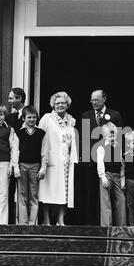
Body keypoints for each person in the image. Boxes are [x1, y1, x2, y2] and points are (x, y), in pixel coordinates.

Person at [77, 89, 123, 225]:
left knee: (111, 196)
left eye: (96, 99)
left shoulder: (115, 115)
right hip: (90, 160)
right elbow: (82, 138)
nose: (94, 102)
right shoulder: (86, 115)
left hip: (109, 162)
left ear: (104, 99)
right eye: (92, 100)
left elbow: (119, 137)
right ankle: (90, 224)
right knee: (90, 193)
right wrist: (82, 156)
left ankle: (112, 225)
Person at [38, 92, 78, 226]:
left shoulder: (70, 120)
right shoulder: (47, 118)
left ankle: (61, 220)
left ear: (67, 105)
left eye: (63, 103)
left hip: (65, 161)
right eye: (57, 103)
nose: (60, 105)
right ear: (53, 105)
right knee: (48, 191)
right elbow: (39, 137)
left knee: (63, 192)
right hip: (50, 160)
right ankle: (46, 220)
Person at [16, 106, 46, 225]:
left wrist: (43, 167)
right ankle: (23, 223)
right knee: (22, 195)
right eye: (29, 117)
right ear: (24, 118)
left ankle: (32, 222)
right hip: (22, 165)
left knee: (33, 194)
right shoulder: (19, 133)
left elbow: (44, 151)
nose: (32, 119)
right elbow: (15, 151)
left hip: (35, 166)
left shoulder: (41, 133)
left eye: (34, 117)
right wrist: (15, 167)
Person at [97, 122, 126, 226]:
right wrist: (103, 177)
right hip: (107, 175)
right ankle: (106, 226)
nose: (112, 137)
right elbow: (100, 163)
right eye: (110, 135)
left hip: (117, 175)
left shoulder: (119, 147)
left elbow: (122, 164)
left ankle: (121, 226)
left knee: (121, 199)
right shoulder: (101, 148)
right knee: (106, 201)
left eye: (114, 135)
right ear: (105, 136)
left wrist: (122, 178)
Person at [6, 87, 28, 224]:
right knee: (9, 191)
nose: (9, 101)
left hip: (26, 158)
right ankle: (10, 222)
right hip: (10, 159)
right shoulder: (9, 117)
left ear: (19, 98)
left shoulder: (30, 114)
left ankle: (25, 222)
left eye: (11, 98)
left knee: (24, 192)